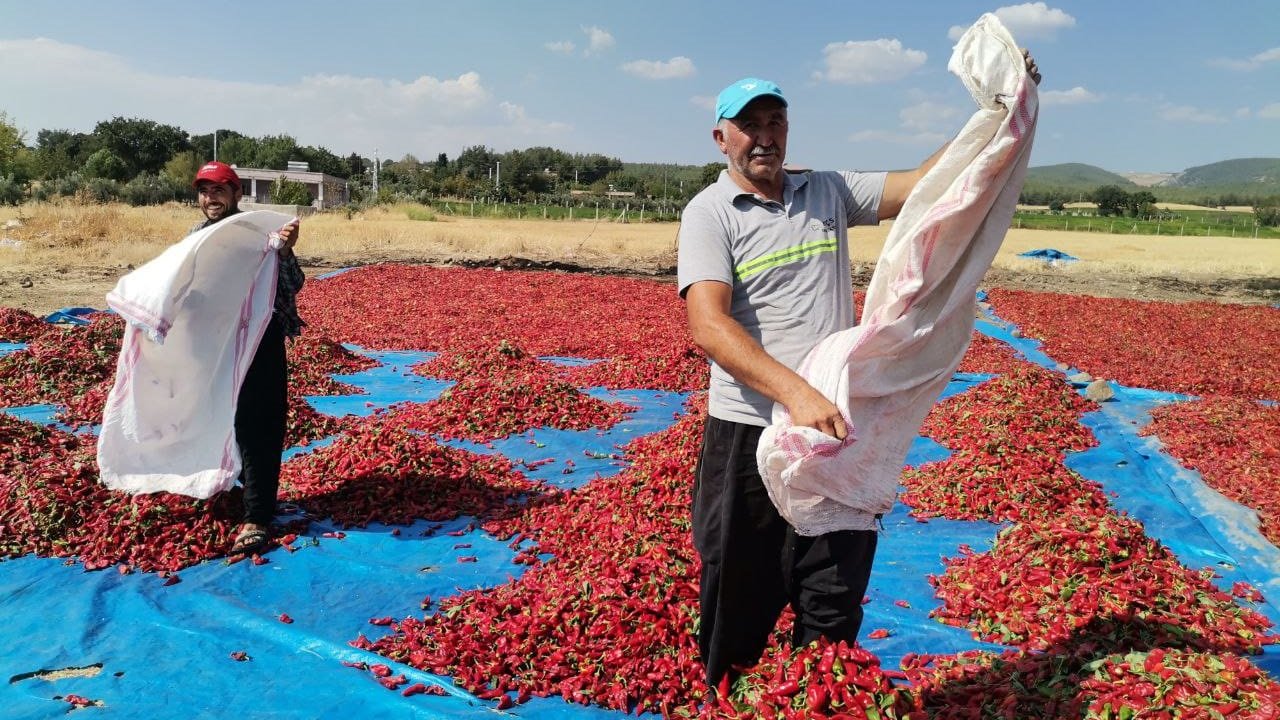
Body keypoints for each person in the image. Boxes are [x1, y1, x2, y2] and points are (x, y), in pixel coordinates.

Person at [678, 54, 1040, 689]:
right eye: (748, 125)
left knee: (833, 583)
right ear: (720, 137)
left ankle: (817, 693)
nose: (764, 136)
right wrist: (796, 392)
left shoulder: (827, 189)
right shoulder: (711, 213)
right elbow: (708, 325)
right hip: (750, 428)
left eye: (775, 122)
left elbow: (927, 183)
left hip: (834, 424)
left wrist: (997, 108)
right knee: (739, 582)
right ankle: (731, 695)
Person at [190, 161, 305, 555]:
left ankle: (257, 514)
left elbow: (294, 284)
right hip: (217, 344)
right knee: (222, 419)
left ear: (237, 193)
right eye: (204, 191)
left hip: (259, 340)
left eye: (219, 190)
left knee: (259, 424)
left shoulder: (261, 233)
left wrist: (284, 252)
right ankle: (233, 488)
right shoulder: (197, 238)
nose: (210, 198)